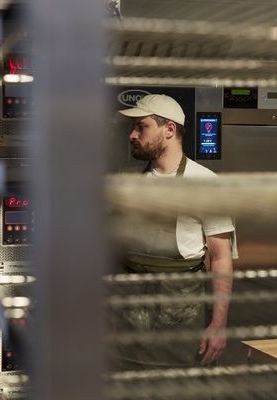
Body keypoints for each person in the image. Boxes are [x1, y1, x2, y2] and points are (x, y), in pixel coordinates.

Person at [109, 94, 237, 371]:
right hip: (128, 316)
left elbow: (221, 258)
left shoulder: (205, 184)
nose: (132, 135)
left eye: (141, 127)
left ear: (169, 130)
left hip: (180, 312)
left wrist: (218, 323)